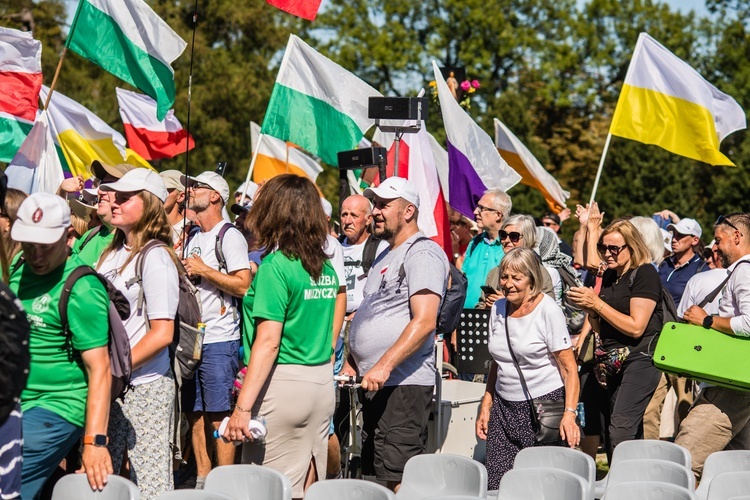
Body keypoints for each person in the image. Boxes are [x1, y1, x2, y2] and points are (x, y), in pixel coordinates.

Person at [225, 174, 338, 499]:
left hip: (283, 385)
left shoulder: (277, 266)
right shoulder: (324, 267)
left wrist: (242, 409)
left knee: (267, 489)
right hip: (319, 384)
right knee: (305, 488)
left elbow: (269, 341)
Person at [344, 176, 449, 491]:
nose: (375, 211)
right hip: (376, 382)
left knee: (397, 476)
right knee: (376, 476)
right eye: (374, 204)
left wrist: (384, 364)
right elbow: (372, 313)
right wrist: (353, 359)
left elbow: (426, 320)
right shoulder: (383, 254)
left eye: (383, 205)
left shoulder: (423, 253)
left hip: (403, 384)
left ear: (408, 211)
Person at [9, 193, 112, 499]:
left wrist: (95, 442)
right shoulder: (17, 265)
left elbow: (100, 368)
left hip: (57, 406)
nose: (36, 255)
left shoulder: (82, 287)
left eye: (46, 245)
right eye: (29, 243)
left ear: (68, 236)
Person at [96, 169, 178, 498]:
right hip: (112, 384)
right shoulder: (112, 253)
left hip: (146, 386)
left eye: (125, 197)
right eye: (114, 196)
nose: (114, 202)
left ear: (148, 204)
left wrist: (115, 369)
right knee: (104, 477)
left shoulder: (156, 256)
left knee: (151, 483)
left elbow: (162, 334)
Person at [476, 247, 580, 488]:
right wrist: (486, 402)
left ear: (532, 280)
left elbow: (569, 369)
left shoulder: (548, 310)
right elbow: (498, 362)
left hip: (543, 406)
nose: (508, 284)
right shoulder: (498, 309)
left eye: (516, 278)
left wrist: (569, 413)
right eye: (504, 276)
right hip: (503, 408)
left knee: (541, 484)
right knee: (498, 482)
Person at [568, 219, 663, 455]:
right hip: (613, 360)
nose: (607, 254)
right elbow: (601, 328)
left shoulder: (645, 273)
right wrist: (590, 309)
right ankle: (633, 483)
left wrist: (597, 304)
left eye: (614, 248)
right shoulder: (611, 275)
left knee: (620, 428)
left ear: (632, 246)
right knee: (623, 428)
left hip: (641, 358)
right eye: (603, 247)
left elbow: (636, 328)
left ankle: (623, 485)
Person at [181, 171, 251, 488]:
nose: (191, 189)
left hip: (220, 339)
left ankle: (226, 483)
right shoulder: (194, 236)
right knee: (193, 413)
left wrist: (205, 270)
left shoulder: (230, 235)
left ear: (215, 197)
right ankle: (202, 476)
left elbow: (243, 285)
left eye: (198, 186)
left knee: (218, 414)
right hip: (190, 338)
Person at [677, 213, 750, 480]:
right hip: (737, 381)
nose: (715, 248)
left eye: (718, 241)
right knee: (733, 470)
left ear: (737, 237)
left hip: (729, 384)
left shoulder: (745, 270)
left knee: (684, 459)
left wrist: (706, 319)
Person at [480, 214, 554, 308]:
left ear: (527, 238)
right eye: (503, 235)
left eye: (513, 236)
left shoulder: (539, 272)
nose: (506, 240)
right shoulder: (494, 272)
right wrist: (487, 305)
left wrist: (506, 301)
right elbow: (480, 305)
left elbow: (548, 307)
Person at [72, 161, 134, 267]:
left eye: (111, 185)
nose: (100, 191)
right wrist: (61, 191)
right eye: (102, 184)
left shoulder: (139, 247)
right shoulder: (91, 234)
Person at [461, 188, 512, 308]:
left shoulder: (512, 246)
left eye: (481, 208)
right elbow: (463, 278)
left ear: (498, 215)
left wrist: (507, 299)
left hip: (494, 318)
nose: (475, 212)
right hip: (465, 318)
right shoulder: (475, 242)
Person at [160, 169, 187, 245]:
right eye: (158, 189)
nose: (160, 194)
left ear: (181, 196)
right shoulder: (149, 226)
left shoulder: (190, 229)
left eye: (166, 190)